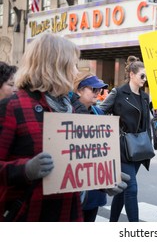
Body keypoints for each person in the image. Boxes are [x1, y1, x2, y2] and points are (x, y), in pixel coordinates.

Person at [0, 33, 127, 221]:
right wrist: (25, 169)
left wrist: (103, 180)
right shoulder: (12, 106)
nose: (75, 72)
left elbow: (73, 165)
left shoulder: (72, 108)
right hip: (29, 217)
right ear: (54, 66)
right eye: (72, 65)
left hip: (69, 216)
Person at [99, 55, 153, 222]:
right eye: (142, 76)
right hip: (122, 147)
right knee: (132, 188)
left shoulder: (145, 97)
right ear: (132, 75)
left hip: (139, 149)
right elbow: (100, 111)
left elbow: (147, 121)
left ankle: (113, 222)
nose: (145, 79)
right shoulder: (118, 92)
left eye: (146, 76)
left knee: (122, 190)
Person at [70, 71, 109, 222]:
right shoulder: (67, 112)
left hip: (95, 186)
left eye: (99, 90)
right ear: (79, 90)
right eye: (93, 89)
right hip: (75, 182)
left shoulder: (99, 112)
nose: (97, 93)